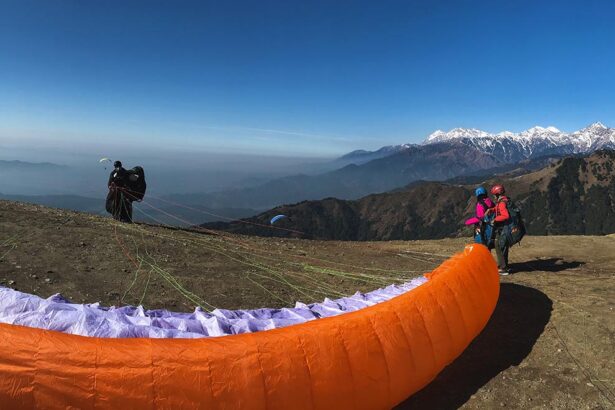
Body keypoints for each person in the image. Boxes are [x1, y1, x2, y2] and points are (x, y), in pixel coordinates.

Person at [490, 184, 511, 275]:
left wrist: (495, 219)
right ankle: (503, 265)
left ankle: (503, 268)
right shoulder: (504, 201)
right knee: (499, 245)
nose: (493, 197)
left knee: (499, 245)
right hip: (505, 228)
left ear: (498, 194)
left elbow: (505, 215)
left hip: (503, 228)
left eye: (494, 195)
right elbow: (498, 209)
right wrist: (492, 210)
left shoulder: (502, 203)